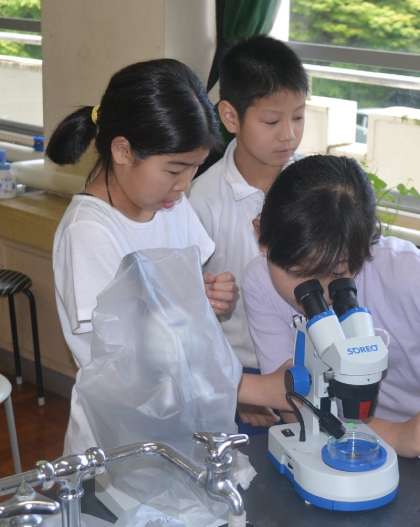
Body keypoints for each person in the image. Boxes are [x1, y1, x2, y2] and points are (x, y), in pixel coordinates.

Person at [47, 58, 288, 454]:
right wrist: (246, 388)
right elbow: (125, 365)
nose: (184, 184)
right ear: (123, 151)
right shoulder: (88, 233)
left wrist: (209, 295)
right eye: (174, 169)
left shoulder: (170, 206)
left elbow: (178, 305)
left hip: (185, 423)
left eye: (194, 168)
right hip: (122, 439)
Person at [242, 154, 420, 457]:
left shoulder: (408, 275)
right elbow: (295, 408)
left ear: (365, 247)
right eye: (298, 273)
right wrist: (396, 436)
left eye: (338, 275)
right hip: (345, 439)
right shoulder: (260, 282)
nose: (322, 294)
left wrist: (408, 436)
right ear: (261, 235)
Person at [189, 34, 308, 427]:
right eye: (272, 121)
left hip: (309, 364)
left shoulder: (313, 186)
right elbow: (192, 312)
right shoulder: (202, 200)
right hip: (239, 373)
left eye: (298, 117)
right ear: (230, 117)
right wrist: (241, 392)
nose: (289, 134)